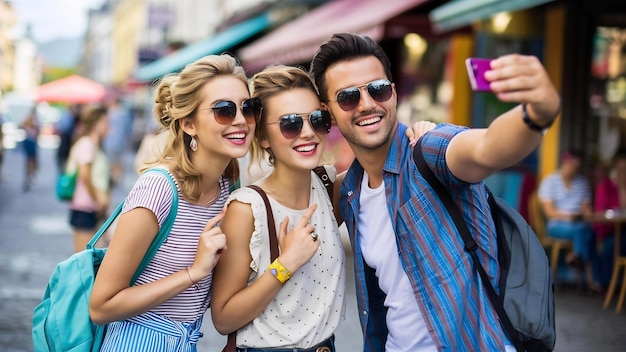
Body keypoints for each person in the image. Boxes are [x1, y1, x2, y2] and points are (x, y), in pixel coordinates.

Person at [309, 32, 561, 351]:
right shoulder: (350, 190)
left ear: (394, 93)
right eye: (348, 97)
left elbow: (487, 148)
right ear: (328, 112)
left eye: (378, 89)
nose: (368, 104)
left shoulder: (428, 150)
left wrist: (537, 114)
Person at [89, 54, 259, 351]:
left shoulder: (226, 185)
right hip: (136, 343)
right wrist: (193, 272)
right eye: (223, 110)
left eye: (248, 107)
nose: (241, 120)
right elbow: (102, 306)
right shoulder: (158, 190)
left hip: (186, 341)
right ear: (189, 124)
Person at [210, 65, 345, 352]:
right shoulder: (248, 208)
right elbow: (223, 318)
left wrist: (421, 131)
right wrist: (284, 266)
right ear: (262, 137)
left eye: (318, 120)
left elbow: (377, 157)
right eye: (290, 124)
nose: (308, 133)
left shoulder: (328, 185)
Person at [538, 148, 602, 292]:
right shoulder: (550, 181)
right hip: (557, 226)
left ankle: (578, 259)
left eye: (579, 166)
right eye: (574, 165)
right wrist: (570, 217)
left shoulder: (582, 183)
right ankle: (594, 279)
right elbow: (550, 213)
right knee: (586, 232)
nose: (576, 169)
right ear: (566, 162)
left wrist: (588, 213)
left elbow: (586, 208)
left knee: (588, 232)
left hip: (579, 226)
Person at [66, 105, 111, 252]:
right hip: (85, 206)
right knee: (82, 257)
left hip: (89, 207)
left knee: (87, 255)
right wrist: (97, 200)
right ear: (97, 123)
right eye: (105, 123)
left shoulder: (92, 145)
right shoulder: (87, 144)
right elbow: (84, 175)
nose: (108, 127)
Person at [593, 151, 626, 287]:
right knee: (612, 245)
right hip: (609, 230)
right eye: (620, 169)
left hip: (622, 229)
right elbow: (599, 213)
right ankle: (605, 283)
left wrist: (623, 188)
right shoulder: (605, 186)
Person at [103, 97, 133, 187]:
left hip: (109, 142)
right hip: (121, 143)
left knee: (111, 162)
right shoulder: (125, 115)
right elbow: (128, 130)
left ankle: (112, 179)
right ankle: (117, 179)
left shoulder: (109, 114)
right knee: (118, 162)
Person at [55, 104, 82, 175]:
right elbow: (64, 129)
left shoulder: (76, 118)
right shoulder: (68, 117)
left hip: (69, 149)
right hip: (65, 148)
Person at [19, 107, 40, 191]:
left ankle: (29, 175)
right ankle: (30, 175)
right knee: (32, 160)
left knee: (29, 160)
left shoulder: (28, 119)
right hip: (31, 142)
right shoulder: (34, 120)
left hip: (28, 141)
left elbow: (21, 126)